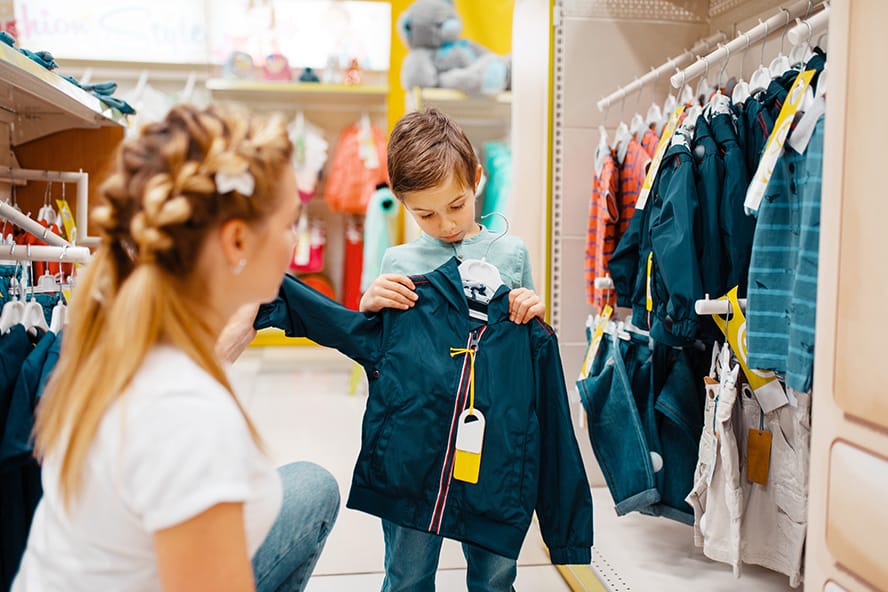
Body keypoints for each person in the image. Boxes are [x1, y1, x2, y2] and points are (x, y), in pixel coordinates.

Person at [13, 105, 339, 592]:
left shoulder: (119, 331)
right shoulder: (188, 417)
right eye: (291, 221)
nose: (295, 241)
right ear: (235, 240)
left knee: (311, 487)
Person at [361, 108, 545, 592]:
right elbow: (381, 355)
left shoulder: (513, 254)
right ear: (402, 204)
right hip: (416, 446)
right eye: (425, 213)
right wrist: (370, 303)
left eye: (456, 205)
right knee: (407, 572)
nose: (445, 224)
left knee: (495, 573)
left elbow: (528, 347)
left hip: (493, 446)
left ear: (478, 181)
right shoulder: (398, 263)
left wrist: (530, 306)